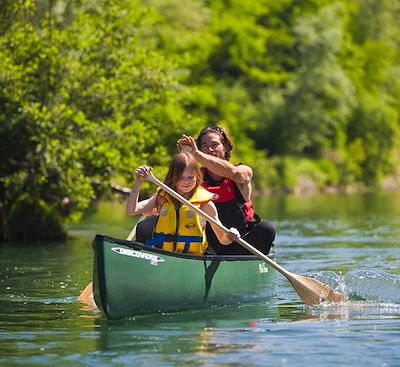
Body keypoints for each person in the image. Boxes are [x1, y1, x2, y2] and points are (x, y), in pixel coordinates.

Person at [177, 125, 275, 255]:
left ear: (226, 147)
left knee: (267, 228)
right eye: (204, 146)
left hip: (241, 244)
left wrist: (195, 154)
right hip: (208, 248)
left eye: (214, 144)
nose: (210, 149)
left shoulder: (243, 171)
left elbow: (235, 174)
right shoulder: (194, 179)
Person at [126, 152, 240, 255]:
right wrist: (138, 182)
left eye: (190, 177)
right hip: (162, 254)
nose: (186, 181)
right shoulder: (162, 197)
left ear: (197, 176)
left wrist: (231, 235)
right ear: (173, 177)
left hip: (191, 259)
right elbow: (131, 211)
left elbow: (223, 240)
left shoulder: (206, 205)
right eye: (181, 177)